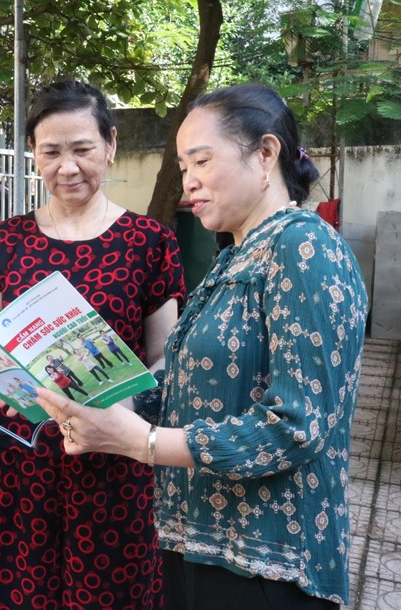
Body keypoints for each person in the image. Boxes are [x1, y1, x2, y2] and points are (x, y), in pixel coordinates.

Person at [37, 83, 368, 609]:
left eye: (202, 162)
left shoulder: (303, 247)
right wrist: (103, 400)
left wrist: (143, 443)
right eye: (183, 167)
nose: (188, 183)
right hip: (196, 542)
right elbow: (188, 385)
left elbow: (295, 426)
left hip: (267, 564)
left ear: (265, 154)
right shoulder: (236, 256)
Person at [0, 80, 185, 610]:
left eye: (82, 149)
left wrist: (127, 404)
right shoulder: (6, 240)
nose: (67, 167)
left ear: (111, 145)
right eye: (51, 151)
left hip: (111, 462)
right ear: (33, 153)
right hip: (17, 462)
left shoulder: (149, 242)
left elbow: (166, 360)